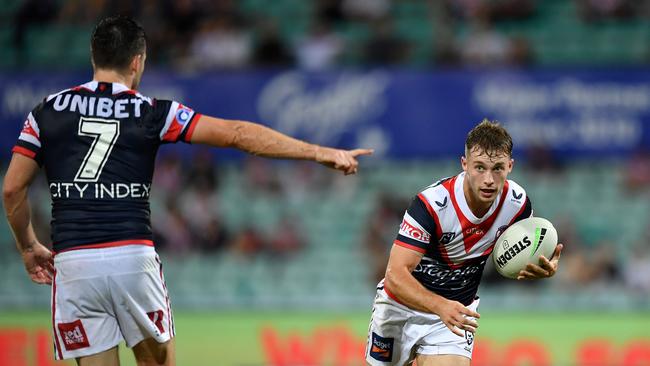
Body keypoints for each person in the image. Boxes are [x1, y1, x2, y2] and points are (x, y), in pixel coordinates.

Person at [2, 16, 372, 366]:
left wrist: (28, 246)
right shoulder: (150, 111)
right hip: (131, 258)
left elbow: (13, 188)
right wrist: (320, 152)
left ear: (93, 57)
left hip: (74, 263)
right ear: (137, 62)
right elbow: (238, 135)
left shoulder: (45, 112)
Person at [365, 120, 563, 366]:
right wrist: (439, 305)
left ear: (510, 166)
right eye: (480, 167)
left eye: (498, 168)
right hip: (399, 308)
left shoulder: (517, 204)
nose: (489, 179)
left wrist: (540, 267)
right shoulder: (432, 205)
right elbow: (395, 274)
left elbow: (520, 254)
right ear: (464, 164)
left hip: (454, 316)